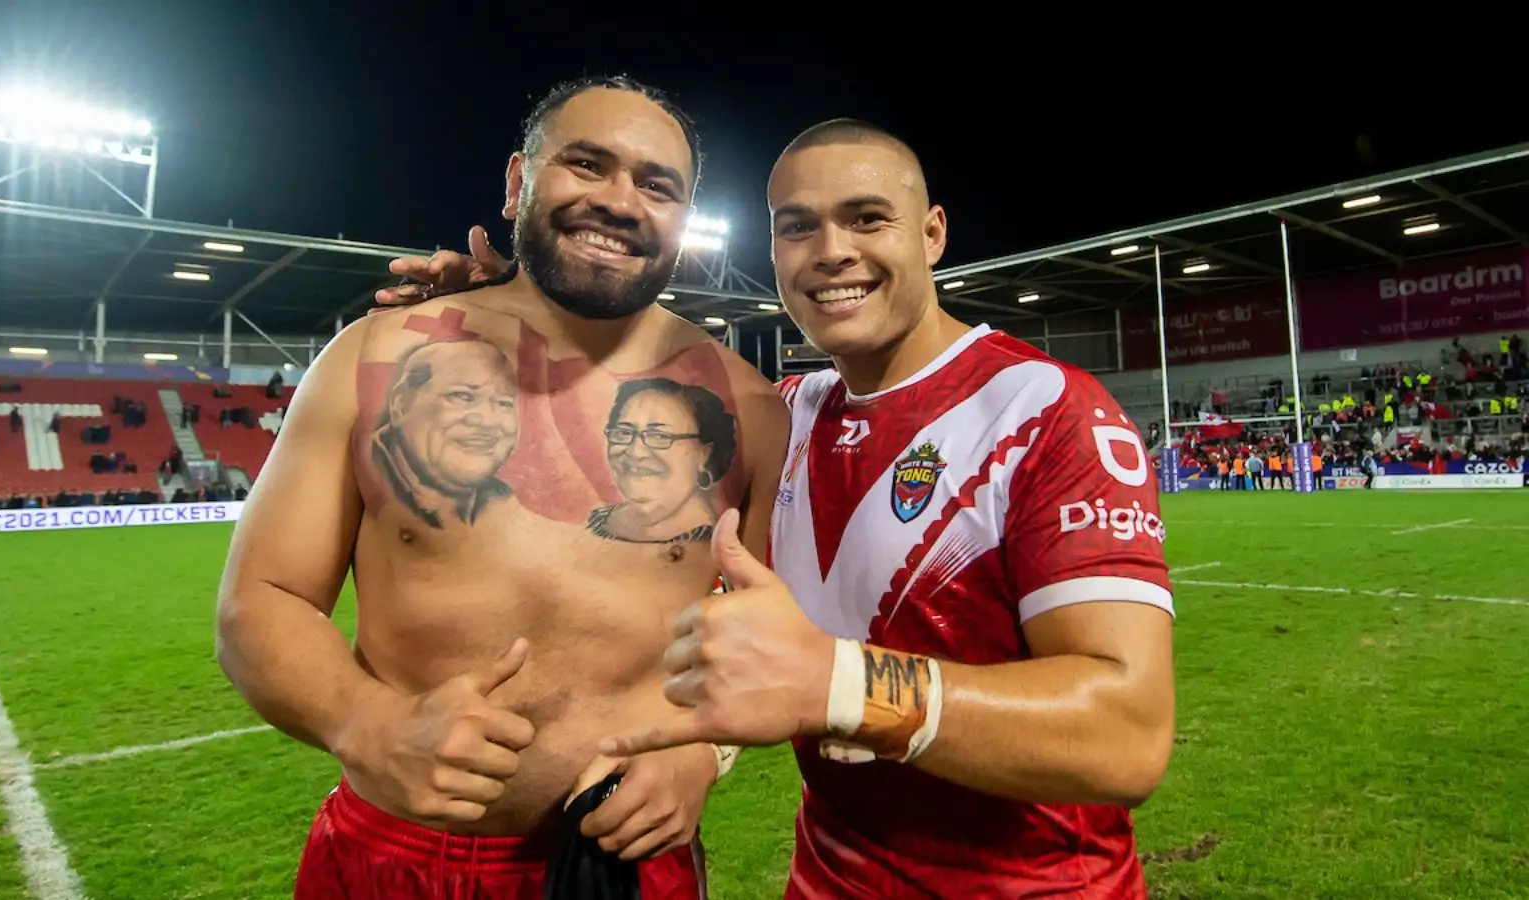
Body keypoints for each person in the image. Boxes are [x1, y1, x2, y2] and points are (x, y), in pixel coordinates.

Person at [388, 121, 1176, 896]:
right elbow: (601, 426)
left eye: (867, 218)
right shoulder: (781, 417)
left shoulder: (1045, 411)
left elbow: (1126, 737)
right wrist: (517, 312)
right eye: (798, 228)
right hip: (825, 877)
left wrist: (837, 684)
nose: (831, 249)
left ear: (932, 233)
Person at [216, 76, 788, 899]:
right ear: (518, 181)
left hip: (625, 866)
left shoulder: (750, 411)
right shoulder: (373, 361)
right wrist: (369, 725)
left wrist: (703, 753)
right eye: (586, 165)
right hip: (396, 854)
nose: (621, 202)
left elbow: (776, 635)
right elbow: (258, 601)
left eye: (657, 185)